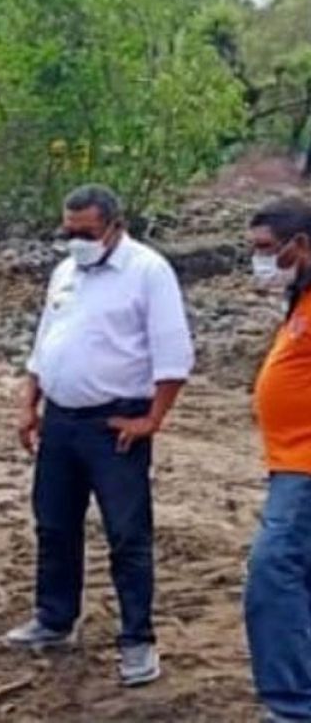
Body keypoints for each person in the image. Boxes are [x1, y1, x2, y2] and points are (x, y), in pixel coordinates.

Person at [3, 185, 194, 688]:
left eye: (84, 232)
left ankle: (137, 641)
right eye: (68, 231)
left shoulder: (148, 272)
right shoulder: (65, 273)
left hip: (115, 427)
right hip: (61, 422)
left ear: (114, 225)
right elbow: (45, 343)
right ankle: (54, 619)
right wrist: (29, 403)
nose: (74, 241)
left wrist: (152, 419)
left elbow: (173, 354)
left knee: (127, 534)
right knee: (54, 524)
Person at [243, 197, 311, 723]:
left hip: (305, 468)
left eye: (267, 250)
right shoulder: (301, 298)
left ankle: (291, 709)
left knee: (273, 574)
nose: (259, 260)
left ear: (301, 245)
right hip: (289, 462)